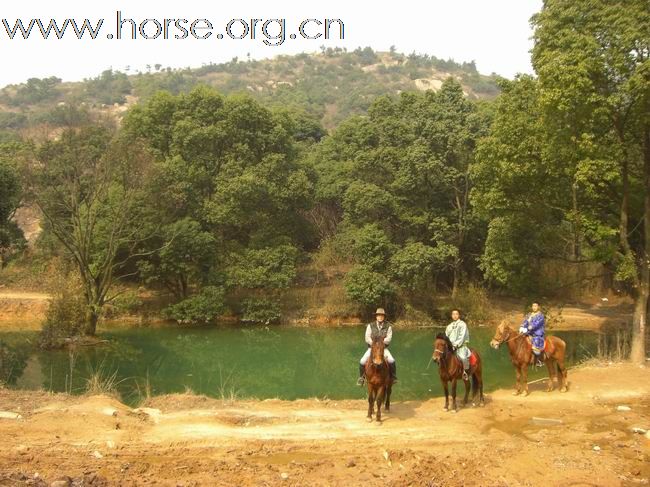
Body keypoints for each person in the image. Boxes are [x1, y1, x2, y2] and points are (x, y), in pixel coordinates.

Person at [356, 308, 397, 386]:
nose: (380, 317)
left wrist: (381, 344)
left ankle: (393, 377)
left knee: (392, 360)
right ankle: (362, 378)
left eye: (382, 316)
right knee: (362, 361)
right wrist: (374, 344)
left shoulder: (388, 326)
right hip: (371, 348)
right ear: (376, 316)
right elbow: (367, 337)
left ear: (384, 317)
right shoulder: (370, 326)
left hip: (383, 349)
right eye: (379, 315)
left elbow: (389, 338)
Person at [445, 309, 471, 380]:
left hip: (460, 346)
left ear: (459, 315)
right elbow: (446, 336)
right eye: (453, 314)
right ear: (451, 315)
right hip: (450, 347)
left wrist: (456, 345)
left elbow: (462, 336)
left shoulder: (462, 324)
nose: (455, 315)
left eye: (456, 314)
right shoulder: (449, 326)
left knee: (463, 357)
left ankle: (465, 372)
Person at [520, 302, 545, 366]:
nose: (534, 307)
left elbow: (538, 324)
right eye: (533, 306)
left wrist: (531, 327)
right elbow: (525, 321)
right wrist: (522, 327)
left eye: (535, 306)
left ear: (538, 307)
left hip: (537, 333)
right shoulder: (529, 315)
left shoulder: (540, 315)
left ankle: (539, 360)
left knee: (535, 345)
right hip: (529, 332)